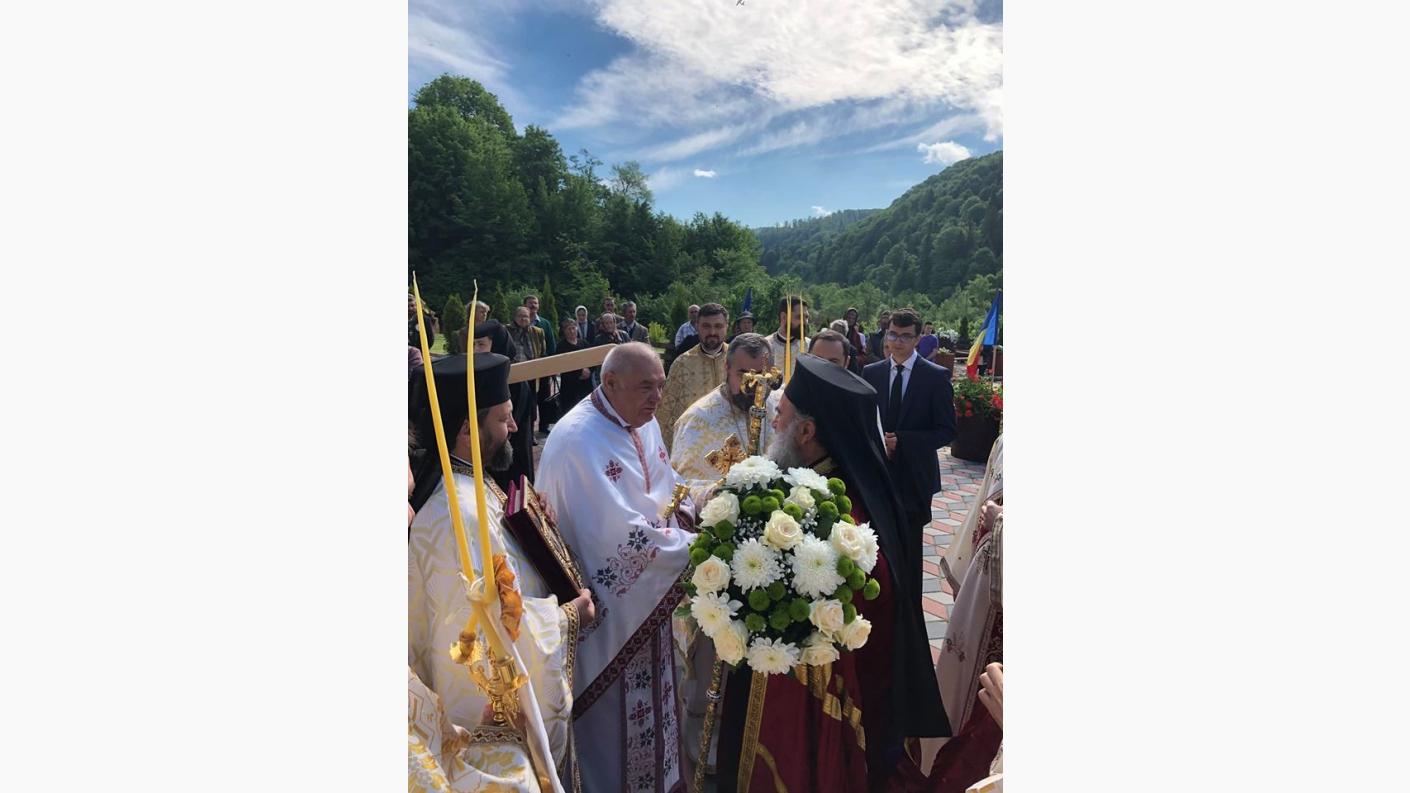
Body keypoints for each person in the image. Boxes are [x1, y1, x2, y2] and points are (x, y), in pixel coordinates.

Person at [716, 356, 949, 791]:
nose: (773, 423)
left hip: (818, 700)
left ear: (806, 432)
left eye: (781, 415)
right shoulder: (834, 488)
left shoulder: (837, 520)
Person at [409, 352, 597, 792]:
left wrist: (537, 524)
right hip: (483, 730)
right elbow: (479, 636)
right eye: (504, 416)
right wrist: (569, 617)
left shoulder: (475, 484)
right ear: (467, 430)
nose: (514, 426)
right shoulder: (457, 516)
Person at [536, 342, 697, 793]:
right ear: (610, 383)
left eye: (660, 386)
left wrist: (697, 508)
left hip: (651, 600)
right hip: (607, 615)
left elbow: (664, 487)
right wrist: (698, 549)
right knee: (611, 731)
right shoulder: (577, 440)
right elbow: (618, 539)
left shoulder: (643, 420)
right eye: (646, 387)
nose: (657, 398)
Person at [667, 332, 778, 778]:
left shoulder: (775, 410)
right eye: (744, 374)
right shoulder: (698, 419)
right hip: (714, 558)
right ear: (727, 369)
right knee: (709, 660)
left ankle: (745, 739)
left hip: (765, 557)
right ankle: (703, 751)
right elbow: (676, 487)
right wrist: (720, 492)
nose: (754, 385)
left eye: (763, 375)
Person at [863, 308, 957, 543]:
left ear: (917, 339)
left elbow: (947, 431)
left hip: (915, 476)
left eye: (905, 336)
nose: (898, 341)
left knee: (910, 547)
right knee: (876, 545)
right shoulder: (871, 373)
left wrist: (904, 441)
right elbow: (864, 419)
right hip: (878, 474)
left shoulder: (936, 377)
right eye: (893, 334)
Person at [655, 302, 729, 451]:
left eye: (718, 326)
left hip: (732, 443)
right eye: (706, 326)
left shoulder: (738, 360)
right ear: (697, 326)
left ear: (726, 327)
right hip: (694, 446)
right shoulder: (682, 364)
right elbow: (666, 416)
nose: (712, 332)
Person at [474, 321, 536, 488]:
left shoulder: (514, 380)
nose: (476, 350)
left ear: (497, 345)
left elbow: (508, 423)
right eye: (473, 345)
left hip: (509, 454)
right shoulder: (488, 375)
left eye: (481, 344)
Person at [525, 295, 559, 432]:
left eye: (535, 303)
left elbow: (551, 344)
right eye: (530, 303)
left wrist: (551, 364)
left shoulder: (545, 323)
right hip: (527, 369)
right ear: (525, 305)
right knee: (529, 400)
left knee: (544, 397)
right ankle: (530, 429)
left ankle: (544, 425)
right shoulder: (522, 322)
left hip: (543, 367)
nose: (533, 305)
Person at [556, 318, 594, 415]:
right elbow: (563, 365)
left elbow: (592, 359)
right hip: (570, 386)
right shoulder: (561, 346)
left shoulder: (584, 343)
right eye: (569, 329)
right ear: (564, 331)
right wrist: (580, 372)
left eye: (573, 328)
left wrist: (589, 370)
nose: (572, 331)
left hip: (585, 384)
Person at [768, 295, 809, 370]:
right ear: (784, 317)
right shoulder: (766, 346)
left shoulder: (810, 346)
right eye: (799, 317)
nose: (805, 322)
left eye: (806, 317)